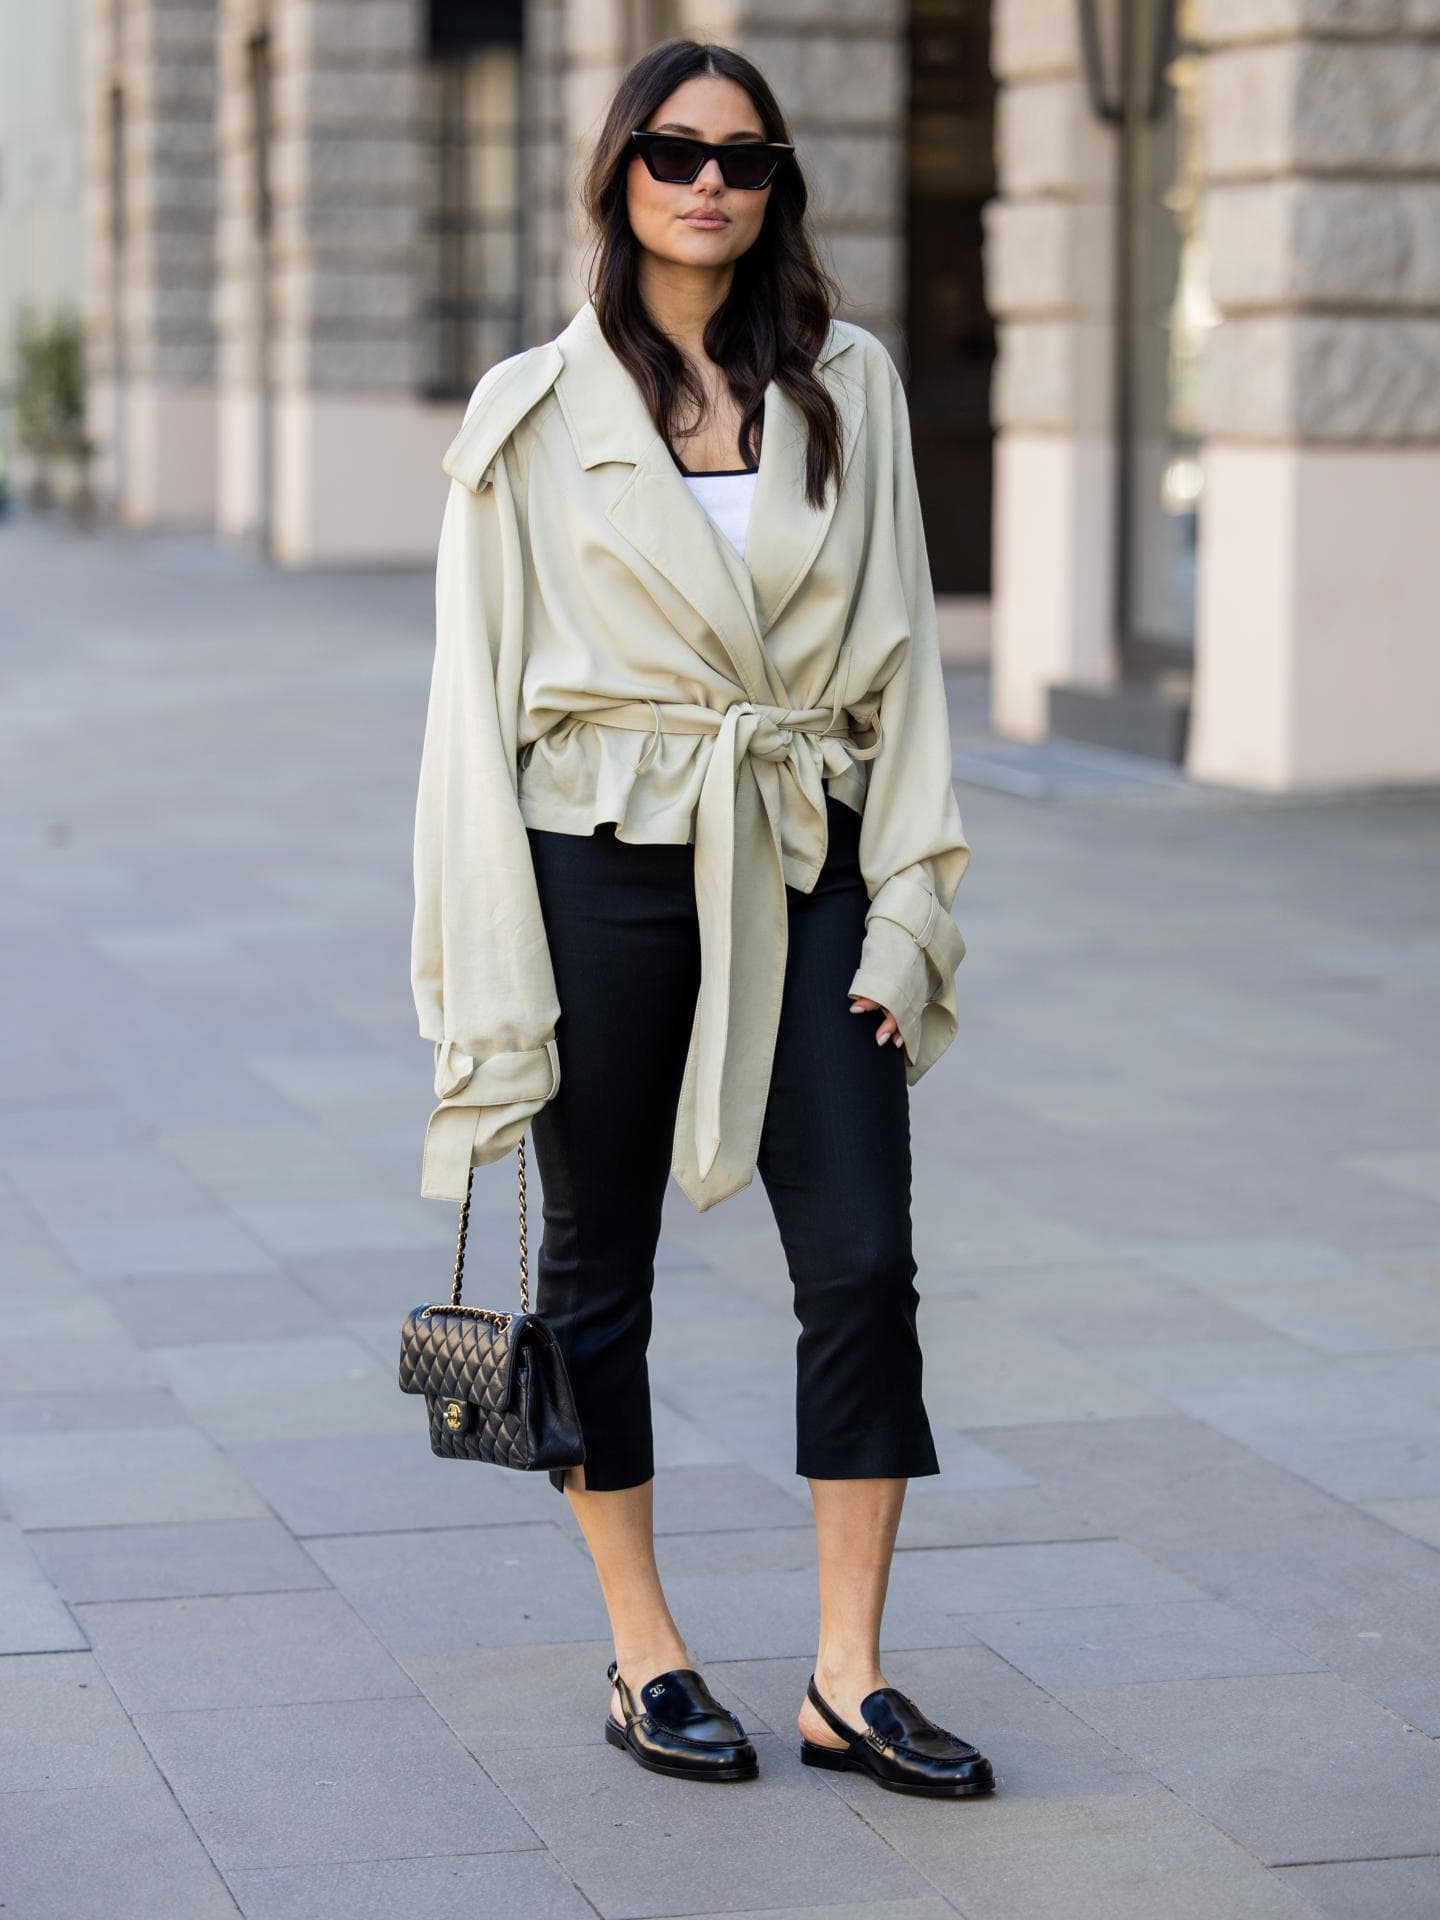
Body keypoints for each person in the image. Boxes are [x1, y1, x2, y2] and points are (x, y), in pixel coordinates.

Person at [410, 36, 993, 1800]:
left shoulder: (850, 385)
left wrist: (912, 910)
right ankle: (644, 1651)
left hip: (805, 851)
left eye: (744, 157)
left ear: (778, 184)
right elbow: (469, 718)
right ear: (620, 175)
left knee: (865, 1259)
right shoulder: (530, 412)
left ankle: (847, 1677)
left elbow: (908, 659)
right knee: (600, 1269)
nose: (710, 183)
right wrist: (488, 986)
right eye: (674, 152)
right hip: (596, 861)